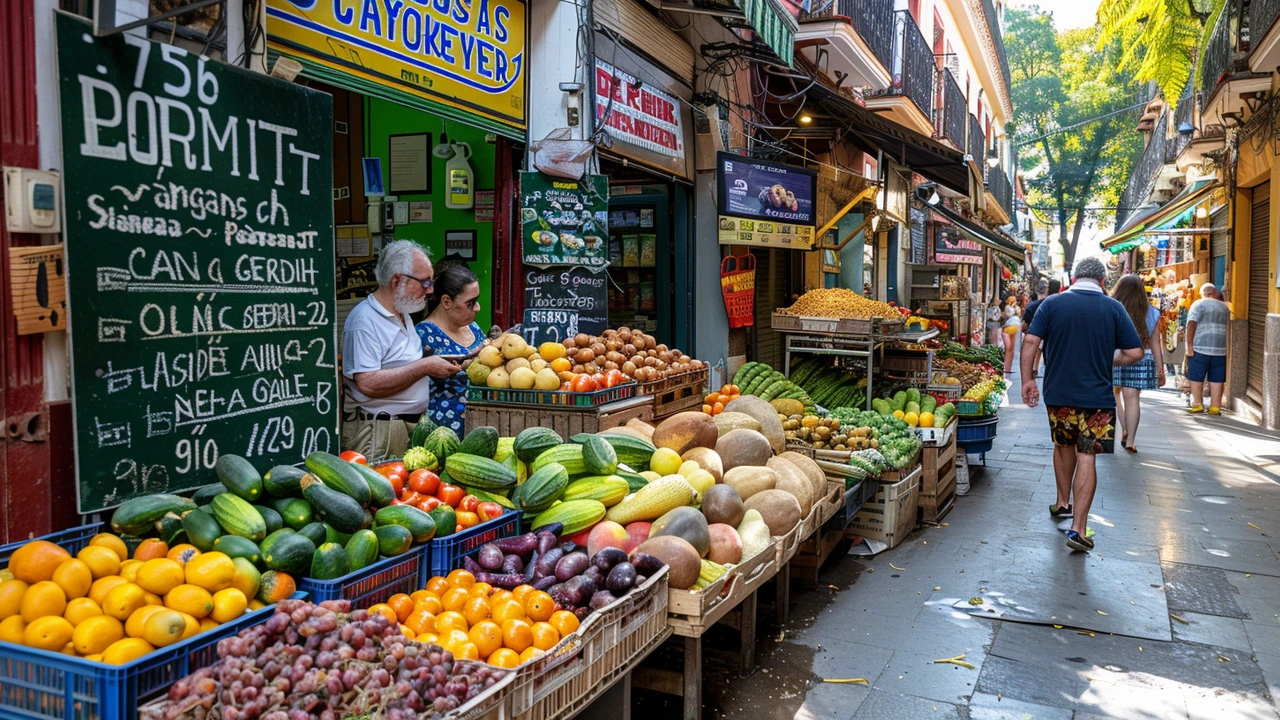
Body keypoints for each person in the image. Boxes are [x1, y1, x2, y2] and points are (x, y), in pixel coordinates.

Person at [1022, 256, 1144, 553]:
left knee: (1063, 446)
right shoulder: (1113, 308)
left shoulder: (1052, 304)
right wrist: (1111, 358)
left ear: (1074, 278)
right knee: (1086, 455)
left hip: (1058, 393)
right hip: (1097, 399)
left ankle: (1062, 502)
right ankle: (1078, 529)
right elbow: (1135, 352)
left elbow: (1030, 343)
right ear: (1104, 281)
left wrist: (1027, 380)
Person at [340, 240, 462, 459]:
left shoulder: (403, 312)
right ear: (396, 281)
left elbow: (402, 364)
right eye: (424, 282)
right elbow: (367, 382)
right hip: (378, 432)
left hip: (402, 427)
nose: (430, 290)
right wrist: (425, 367)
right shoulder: (364, 321)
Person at [416, 263, 486, 435]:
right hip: (444, 431)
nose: (478, 308)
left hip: (480, 428)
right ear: (446, 302)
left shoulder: (473, 327)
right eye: (471, 303)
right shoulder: (424, 335)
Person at [1109, 275, 1166, 452]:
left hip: (1117, 356)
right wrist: (1160, 369)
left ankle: (1124, 428)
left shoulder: (1113, 308)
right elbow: (1156, 342)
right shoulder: (1152, 312)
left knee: (1115, 395)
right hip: (1142, 357)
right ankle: (1131, 441)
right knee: (1133, 399)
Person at [1185, 282, 1230, 415]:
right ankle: (1215, 407)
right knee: (1217, 378)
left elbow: (1191, 323)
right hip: (1220, 349)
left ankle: (1198, 404)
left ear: (1205, 293)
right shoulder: (1225, 308)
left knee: (1196, 376)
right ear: (1213, 293)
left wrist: (1189, 346)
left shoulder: (1198, 304)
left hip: (1200, 347)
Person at [1022, 279, 1061, 379]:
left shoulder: (1039, 304)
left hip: (1036, 332)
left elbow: (1027, 316)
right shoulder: (1062, 305)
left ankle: (1033, 368)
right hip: (1053, 335)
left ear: (1047, 289)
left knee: (1035, 348)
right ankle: (1037, 368)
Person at [1001, 300, 1021, 375]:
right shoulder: (1016, 313)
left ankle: (1006, 367)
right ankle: (1008, 367)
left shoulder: (1007, 308)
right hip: (1015, 326)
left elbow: (1006, 315)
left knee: (1008, 349)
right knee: (1012, 349)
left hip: (1008, 328)